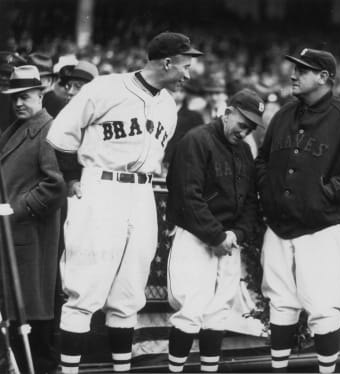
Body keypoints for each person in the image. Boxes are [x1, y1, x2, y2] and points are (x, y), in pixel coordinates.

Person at [46, 31, 202, 374]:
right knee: (84, 291)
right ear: (167, 62)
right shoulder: (105, 88)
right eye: (185, 65)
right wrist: (73, 179)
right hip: (102, 187)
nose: (188, 74)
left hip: (142, 192)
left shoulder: (168, 106)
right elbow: (60, 135)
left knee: (129, 294)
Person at [256, 48, 340, 373]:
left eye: (303, 69)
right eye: (294, 68)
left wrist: (325, 193)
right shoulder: (283, 114)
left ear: (324, 77)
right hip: (280, 227)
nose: (293, 74)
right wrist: (268, 191)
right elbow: (263, 161)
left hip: (323, 229)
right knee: (280, 303)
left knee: (324, 308)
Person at [166, 88, 261, 373]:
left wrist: (238, 235)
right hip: (196, 238)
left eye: (251, 128)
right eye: (242, 123)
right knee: (190, 311)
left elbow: (249, 202)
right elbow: (186, 195)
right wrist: (216, 236)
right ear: (227, 112)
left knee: (217, 314)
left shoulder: (244, 150)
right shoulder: (197, 139)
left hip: (229, 241)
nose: (244, 132)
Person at [0, 65, 66, 374]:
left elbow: (55, 186)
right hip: (12, 239)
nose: (18, 104)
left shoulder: (49, 130)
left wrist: (16, 209)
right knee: (14, 317)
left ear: (41, 95)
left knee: (32, 322)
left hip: (31, 240)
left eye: (25, 97)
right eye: (14, 98)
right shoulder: (14, 130)